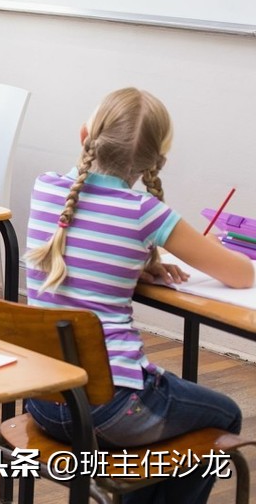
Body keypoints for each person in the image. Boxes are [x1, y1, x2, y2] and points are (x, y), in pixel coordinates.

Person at [24, 87, 254, 504]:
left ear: (84, 136)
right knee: (225, 415)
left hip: (44, 398)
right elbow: (239, 275)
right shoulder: (147, 213)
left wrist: (143, 262)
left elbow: (91, 246)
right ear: (157, 161)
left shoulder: (47, 190)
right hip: (113, 407)